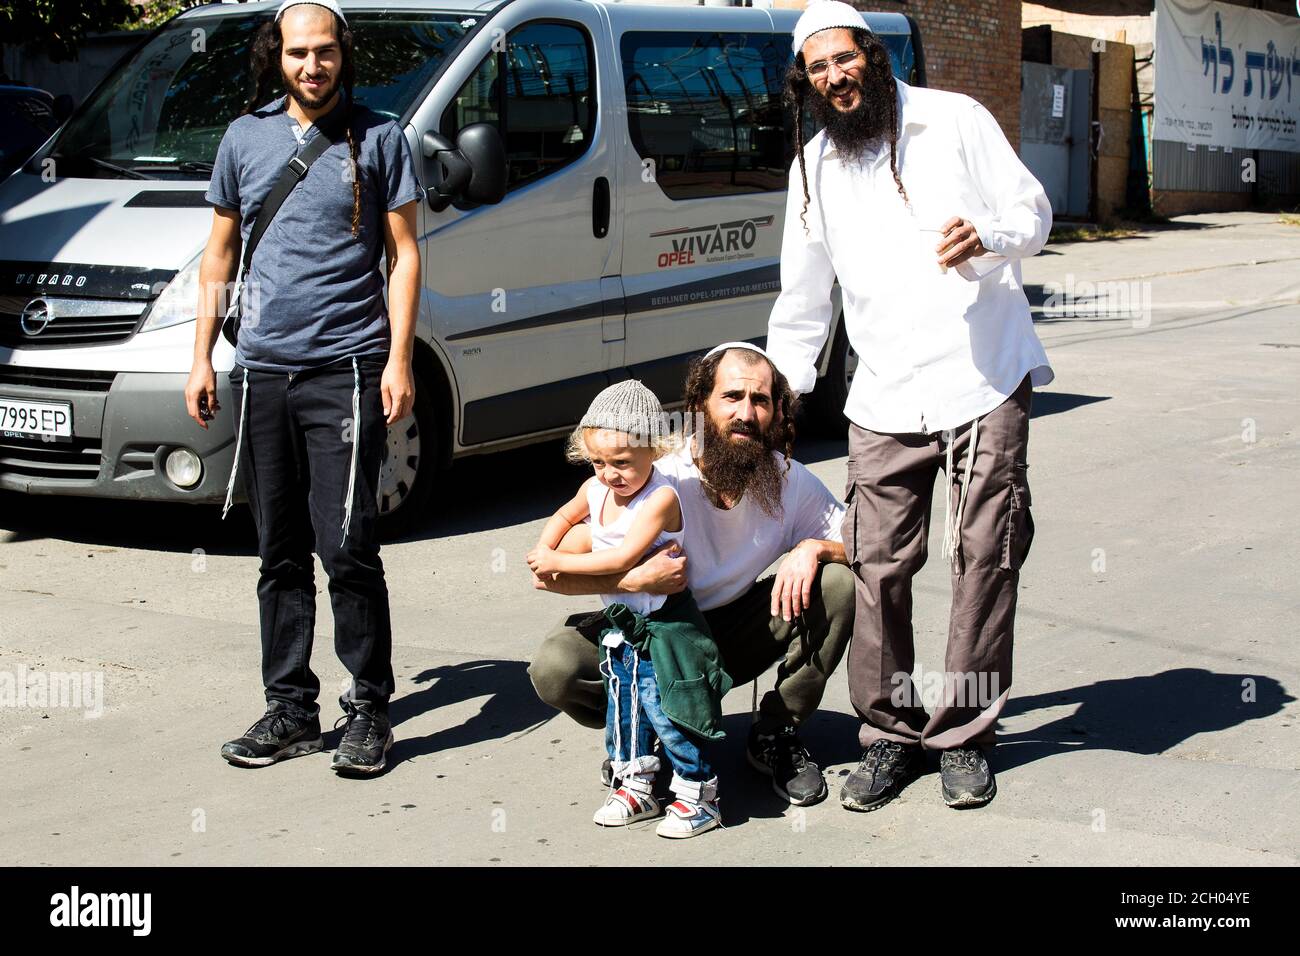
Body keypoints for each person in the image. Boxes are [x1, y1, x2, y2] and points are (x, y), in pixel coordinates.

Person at [766, 1, 1053, 811]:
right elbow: (802, 300)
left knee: (984, 558)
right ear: (808, 82)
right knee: (877, 565)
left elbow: (1034, 212)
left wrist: (990, 237)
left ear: (874, 55)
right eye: (818, 69)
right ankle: (891, 733)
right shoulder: (812, 165)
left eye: (844, 59)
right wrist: (775, 404)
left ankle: (963, 734)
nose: (835, 77)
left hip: (982, 376)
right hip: (884, 390)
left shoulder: (954, 120)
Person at [183, 0, 423, 776]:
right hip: (262, 372)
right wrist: (201, 358)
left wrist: (398, 360)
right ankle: (290, 707)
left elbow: (406, 254)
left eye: (324, 53)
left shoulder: (381, 135)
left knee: (346, 544)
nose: (311, 66)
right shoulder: (243, 137)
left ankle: (371, 708)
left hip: (347, 366)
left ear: (342, 55)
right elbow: (218, 255)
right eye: (297, 54)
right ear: (276, 57)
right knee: (278, 550)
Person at [529, 343, 853, 807]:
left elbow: (867, 545)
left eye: (760, 401)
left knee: (837, 583)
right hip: (655, 631)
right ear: (700, 405)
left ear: (777, 412)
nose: (746, 412)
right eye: (732, 397)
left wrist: (814, 547)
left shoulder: (790, 480)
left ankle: (776, 732)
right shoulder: (655, 474)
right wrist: (634, 582)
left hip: (731, 635)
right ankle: (643, 729)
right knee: (555, 667)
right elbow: (550, 568)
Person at [528, 379, 729, 838]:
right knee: (626, 707)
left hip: (665, 625)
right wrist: (544, 544)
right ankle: (635, 784)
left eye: (621, 463)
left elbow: (620, 558)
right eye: (598, 461)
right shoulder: (595, 489)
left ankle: (699, 794)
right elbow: (564, 516)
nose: (609, 474)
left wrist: (559, 560)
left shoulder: (660, 499)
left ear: (654, 452)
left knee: (670, 708)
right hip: (621, 624)